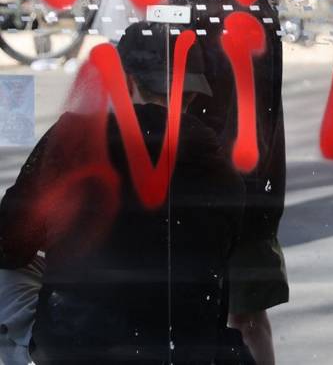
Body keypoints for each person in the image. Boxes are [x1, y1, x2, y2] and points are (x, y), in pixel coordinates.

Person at [0, 22, 251, 363]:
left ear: (125, 83)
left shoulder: (74, 140)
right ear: (191, 94)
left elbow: (9, 244)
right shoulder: (218, 164)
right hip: (183, 349)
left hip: (78, 346)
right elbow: (215, 269)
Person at [169, 0, 289, 365]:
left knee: (235, 311)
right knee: (244, 313)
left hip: (225, 174)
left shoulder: (207, 0)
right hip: (245, 173)